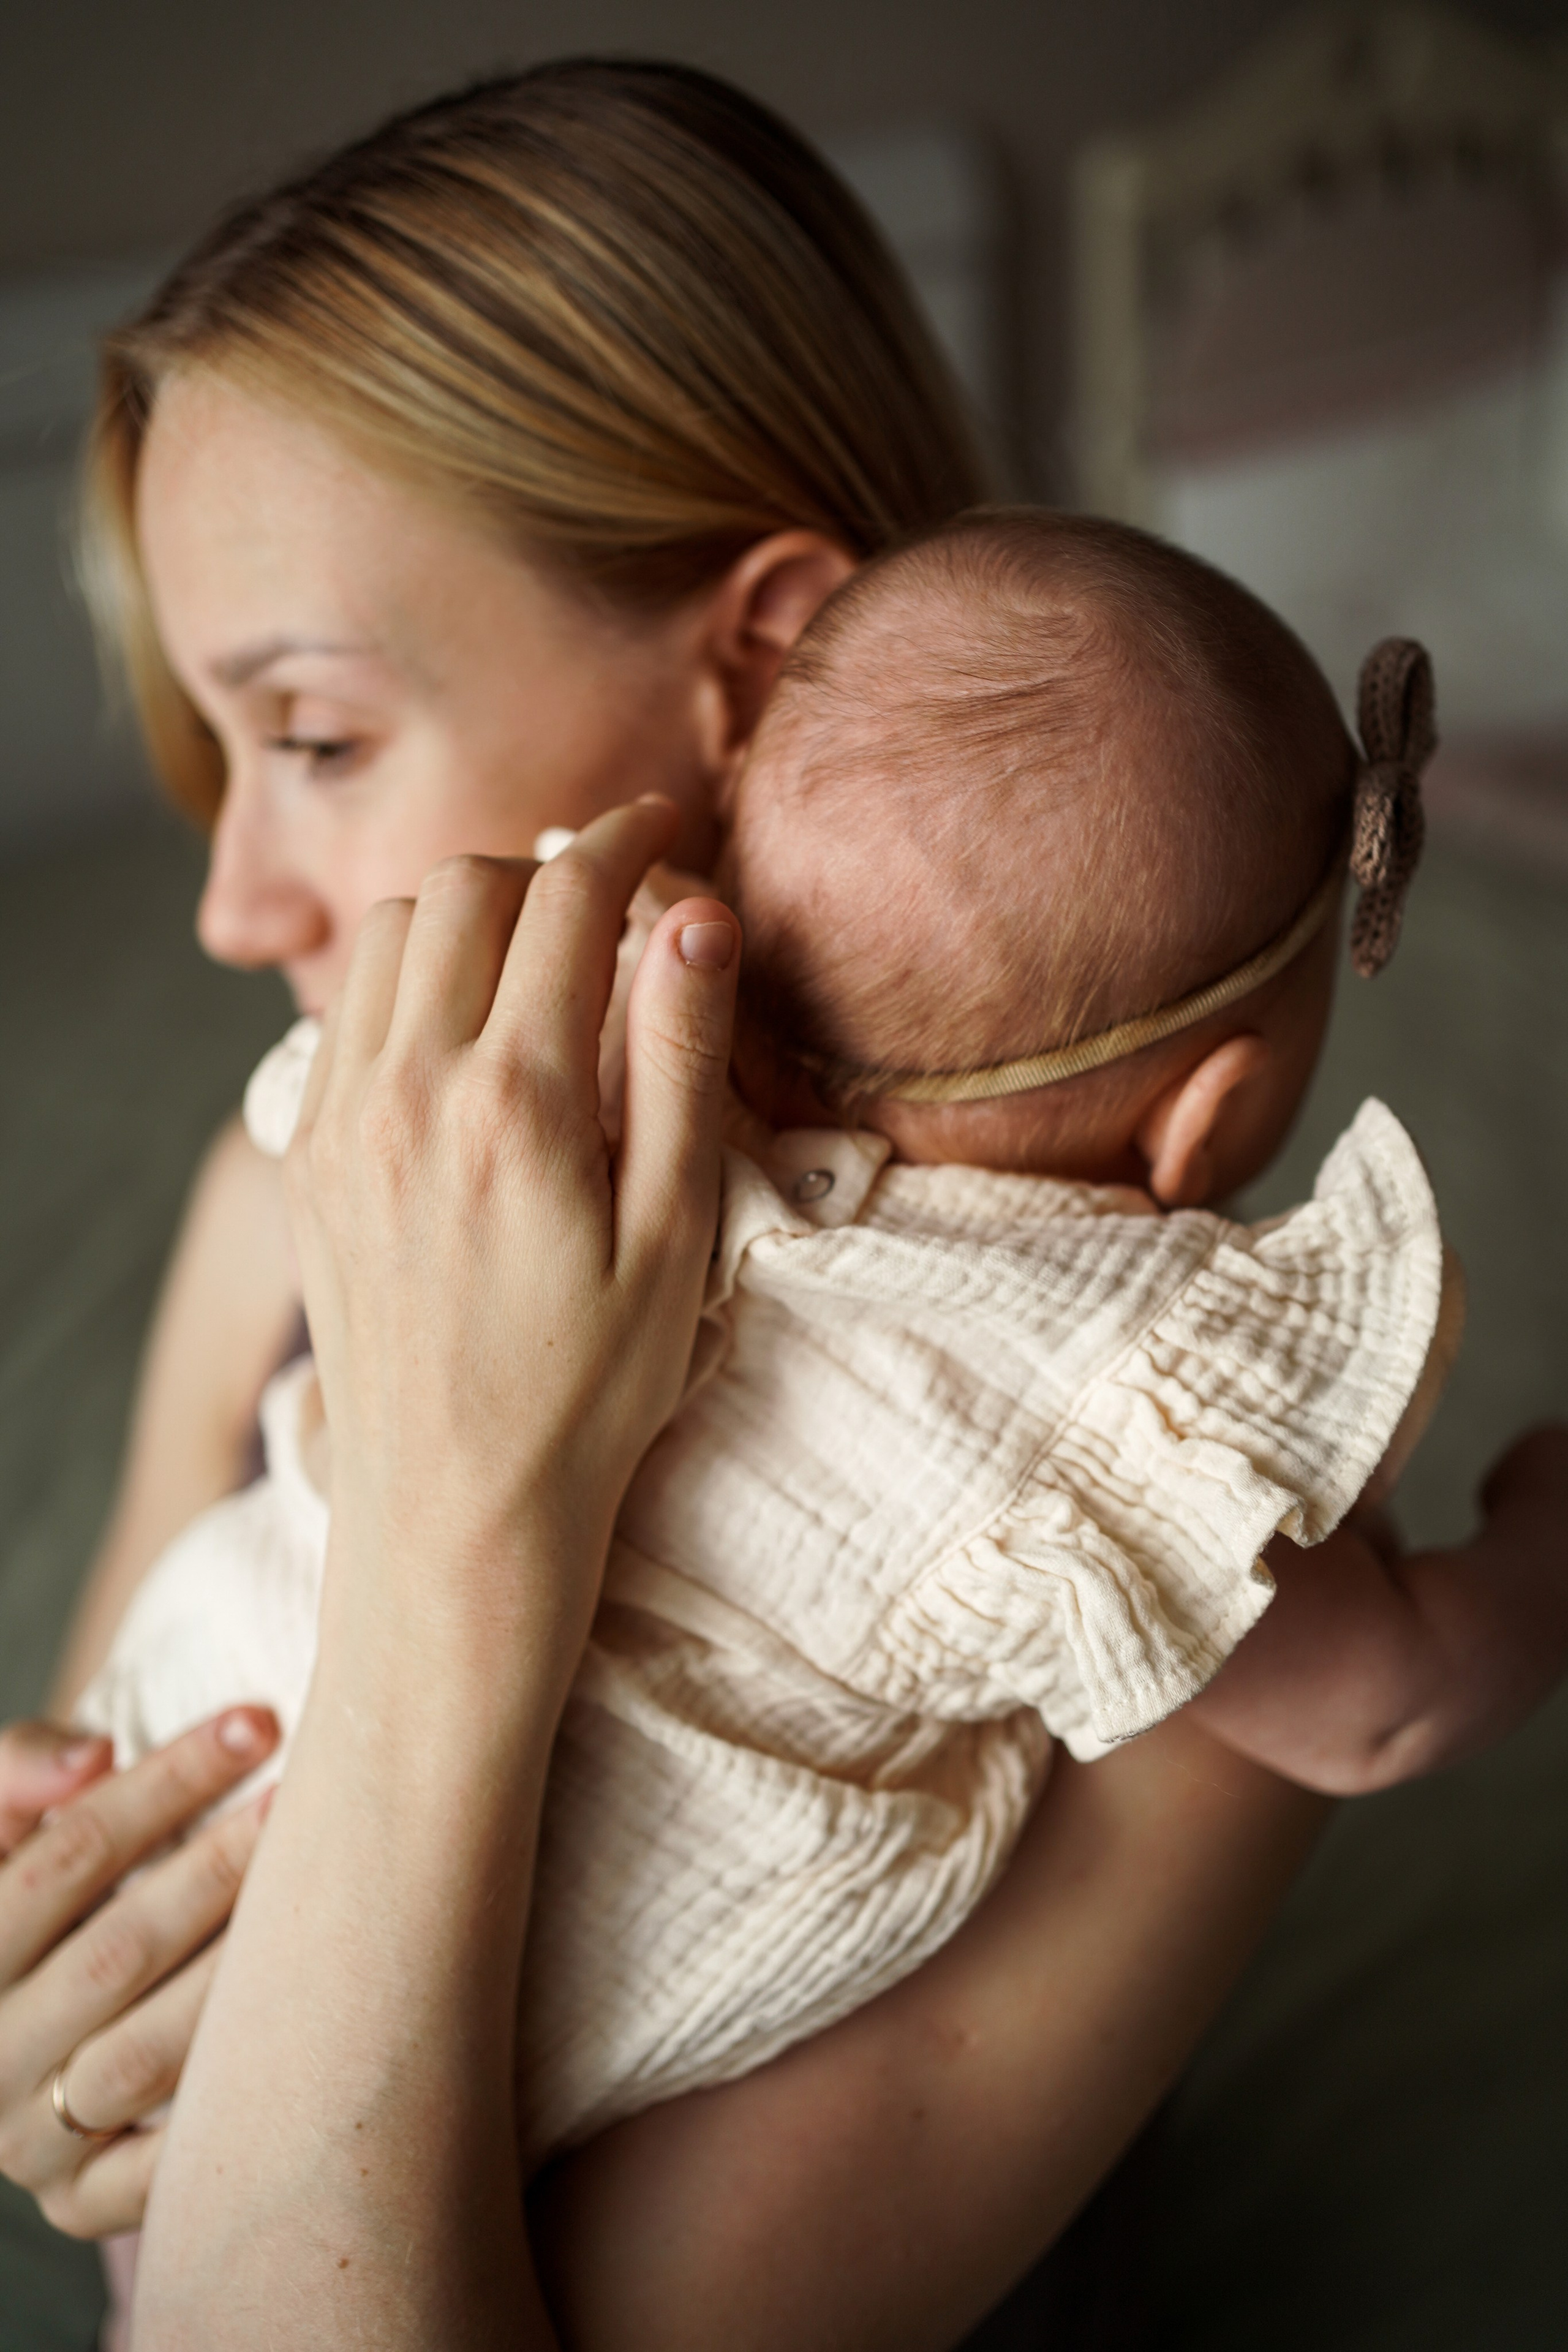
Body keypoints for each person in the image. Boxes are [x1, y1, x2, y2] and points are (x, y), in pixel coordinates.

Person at [0, 59, 1366, 2348]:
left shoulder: (1169, 1539)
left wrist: (465, 1510)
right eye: (216, 760)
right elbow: (97, 1858)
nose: (232, 904)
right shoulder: (287, 1197)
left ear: (753, 662)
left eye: (313, 737)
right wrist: (55, 2029)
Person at [67, 510, 1568, 2179]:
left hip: (192, 1766)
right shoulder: (1092, 1400)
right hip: (495, 2011)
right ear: (1204, 1119)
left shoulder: (563, 1098)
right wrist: (1539, 1536)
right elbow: (1381, 1710)